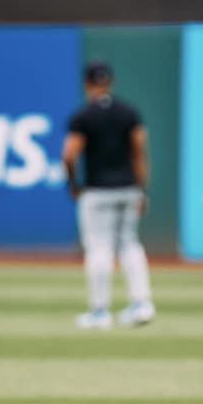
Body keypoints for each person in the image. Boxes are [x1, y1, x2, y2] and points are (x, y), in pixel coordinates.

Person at [63, 61, 154, 329]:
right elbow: (139, 152)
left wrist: (73, 183)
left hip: (98, 191)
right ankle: (142, 304)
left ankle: (100, 311)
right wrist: (141, 189)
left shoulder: (84, 116)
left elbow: (69, 155)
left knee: (99, 248)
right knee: (130, 245)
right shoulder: (129, 112)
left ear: (87, 83)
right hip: (127, 188)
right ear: (110, 82)